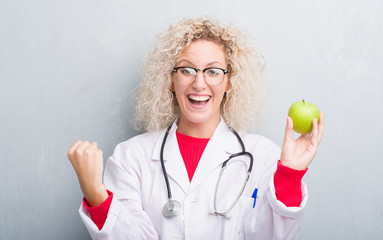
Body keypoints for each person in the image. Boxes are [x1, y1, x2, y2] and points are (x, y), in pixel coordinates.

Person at [68, 17, 324, 240]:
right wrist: (96, 195)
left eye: (213, 71)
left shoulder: (264, 155)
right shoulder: (130, 157)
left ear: (229, 83)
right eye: (187, 70)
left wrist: (290, 174)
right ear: (170, 79)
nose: (199, 83)